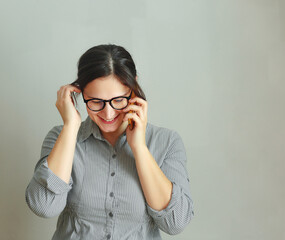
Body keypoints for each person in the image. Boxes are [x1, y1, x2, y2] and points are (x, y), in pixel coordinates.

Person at [25, 44, 194, 240]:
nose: (108, 113)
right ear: (79, 93)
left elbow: (176, 223)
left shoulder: (167, 142)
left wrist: (139, 148)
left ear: (133, 87)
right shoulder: (60, 138)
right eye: (96, 101)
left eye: (119, 100)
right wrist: (71, 126)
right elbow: (44, 206)